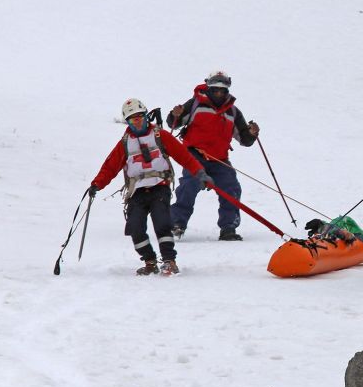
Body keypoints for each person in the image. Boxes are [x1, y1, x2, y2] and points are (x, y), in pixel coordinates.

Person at [90, 99, 212, 275]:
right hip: (137, 191)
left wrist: (200, 173)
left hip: (159, 187)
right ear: (128, 122)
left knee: (162, 224)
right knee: (135, 228)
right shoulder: (124, 143)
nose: (137, 123)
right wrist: (97, 184)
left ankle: (169, 261)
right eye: (133, 120)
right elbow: (110, 167)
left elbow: (184, 156)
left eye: (140, 117)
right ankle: (150, 261)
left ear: (147, 117)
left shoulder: (160, 136)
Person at [166, 70, 260, 241]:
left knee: (231, 188)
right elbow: (174, 123)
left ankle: (228, 228)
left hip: (220, 159)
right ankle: (176, 223)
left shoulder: (233, 112)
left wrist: (252, 134)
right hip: (194, 155)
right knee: (189, 184)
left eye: (222, 90)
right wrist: (175, 115)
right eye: (215, 89)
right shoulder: (196, 104)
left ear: (227, 90)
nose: (218, 93)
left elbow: (244, 139)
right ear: (209, 88)